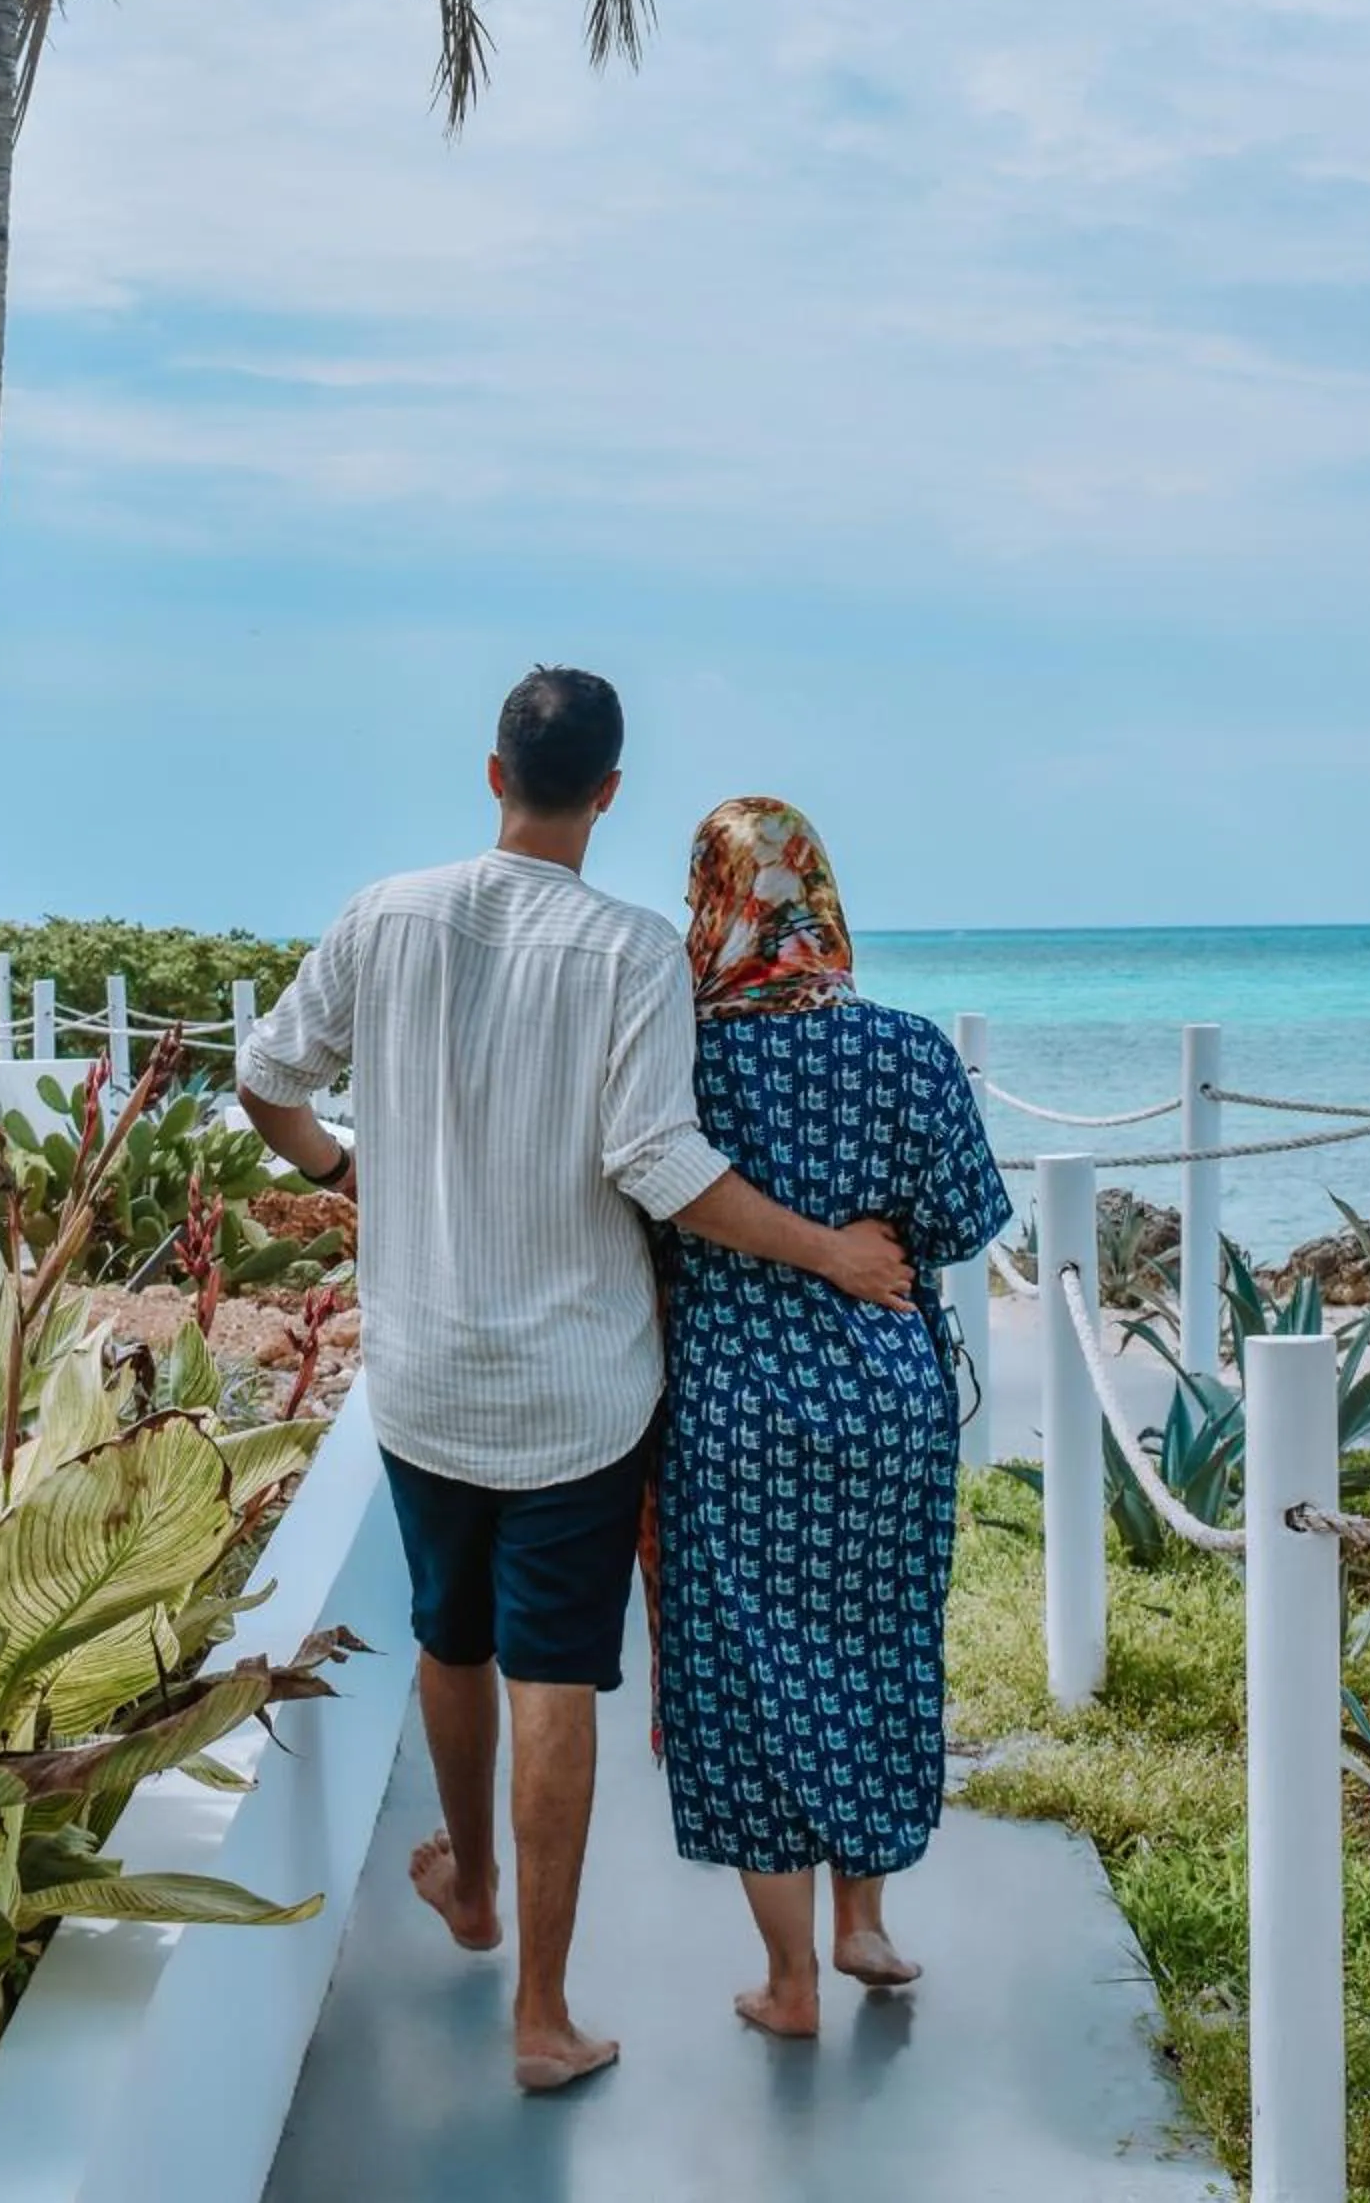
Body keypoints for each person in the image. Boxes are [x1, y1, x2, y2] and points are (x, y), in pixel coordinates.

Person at [235, 672, 915, 2096]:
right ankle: (542, 2016)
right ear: (608, 790)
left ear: (495, 772)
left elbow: (265, 1076)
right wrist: (833, 1258)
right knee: (557, 1671)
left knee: (451, 1634)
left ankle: (471, 1886)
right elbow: (659, 1166)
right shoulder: (633, 955)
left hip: (421, 1375)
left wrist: (346, 1172)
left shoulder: (384, 913)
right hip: (578, 1396)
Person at [654, 795, 1012, 2040]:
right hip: (887, 1407)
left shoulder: (680, 1055)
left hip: (736, 1411)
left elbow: (645, 1205)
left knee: (747, 1681)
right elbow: (964, 1222)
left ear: (708, 900)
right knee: (877, 1651)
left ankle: (789, 1980)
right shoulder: (908, 1047)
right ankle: (864, 1919)